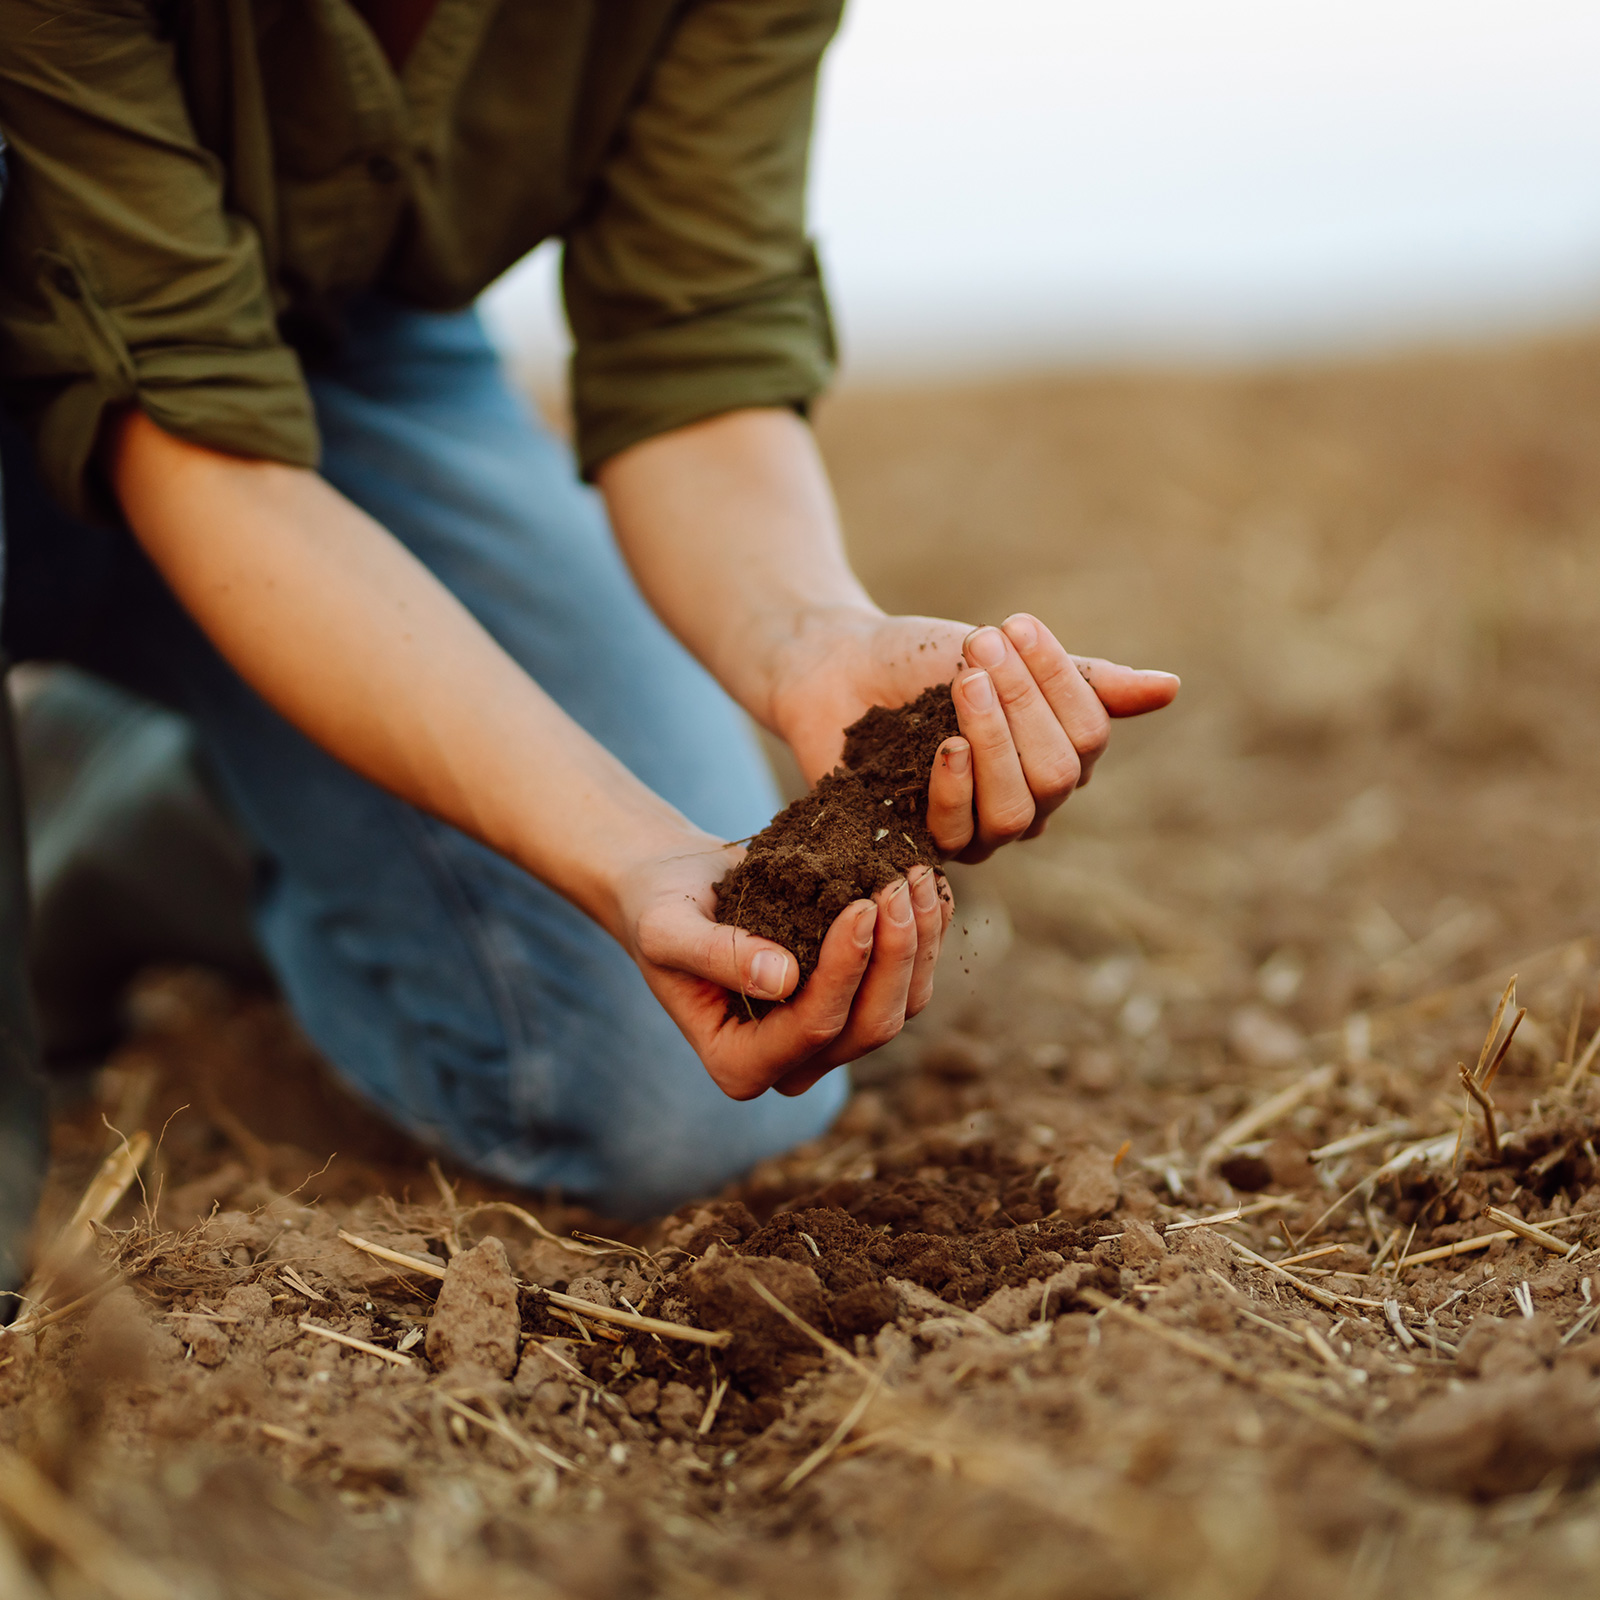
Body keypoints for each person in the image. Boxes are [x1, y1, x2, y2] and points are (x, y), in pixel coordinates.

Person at [0, 0, 1178, 1285]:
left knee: (651, 1090)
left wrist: (803, 641)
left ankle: (133, 800)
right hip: (88, 292)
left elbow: (694, 347)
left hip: (307, 340)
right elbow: (186, 425)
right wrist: (610, 845)